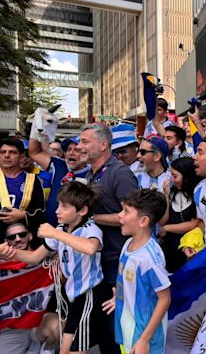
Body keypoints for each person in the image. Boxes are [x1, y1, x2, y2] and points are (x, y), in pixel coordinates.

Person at [0, 182, 103, 354]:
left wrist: (55, 234)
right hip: (74, 299)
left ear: (82, 211)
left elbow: (90, 248)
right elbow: (34, 257)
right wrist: (5, 252)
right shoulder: (62, 228)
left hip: (89, 296)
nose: (57, 211)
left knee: (77, 350)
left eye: (64, 207)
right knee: (64, 351)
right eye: (58, 205)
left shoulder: (89, 228)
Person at [77, 123, 138, 354]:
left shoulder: (119, 173)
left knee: (116, 328)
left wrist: (93, 218)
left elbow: (131, 217)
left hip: (117, 261)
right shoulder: (93, 172)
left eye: (85, 142)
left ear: (104, 145)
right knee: (103, 327)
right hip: (99, 261)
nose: (79, 146)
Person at [102, 189, 171, 354]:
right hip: (127, 328)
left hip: (143, 340)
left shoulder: (149, 259)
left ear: (143, 221)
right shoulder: (128, 244)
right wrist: (119, 296)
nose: (119, 215)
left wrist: (145, 340)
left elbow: (165, 299)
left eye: (126, 211)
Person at [0, 223, 59, 354]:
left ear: (30, 236)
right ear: (5, 242)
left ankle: (43, 349)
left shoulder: (45, 256)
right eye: (12, 237)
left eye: (22, 234)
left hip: (40, 323)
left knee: (57, 326)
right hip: (12, 329)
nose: (18, 239)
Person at [0, 138, 45, 249]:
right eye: (3, 152)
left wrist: (23, 215)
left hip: (21, 241)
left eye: (12, 152)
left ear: (21, 157)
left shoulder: (32, 181)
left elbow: (41, 211)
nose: (6, 156)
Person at [28, 135, 90, 226]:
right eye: (68, 150)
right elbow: (34, 152)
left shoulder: (92, 173)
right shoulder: (58, 165)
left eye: (77, 150)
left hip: (76, 233)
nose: (71, 153)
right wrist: (37, 126)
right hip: (50, 229)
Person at [157, 157, 201, 273]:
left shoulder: (197, 194)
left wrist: (167, 228)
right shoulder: (172, 192)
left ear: (187, 176)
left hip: (187, 247)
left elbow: (194, 223)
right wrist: (166, 197)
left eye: (175, 176)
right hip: (170, 248)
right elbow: (162, 221)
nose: (172, 179)